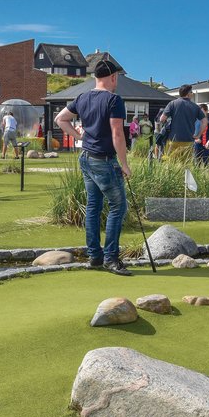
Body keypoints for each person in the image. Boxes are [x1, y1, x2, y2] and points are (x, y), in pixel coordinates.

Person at [54, 58, 132, 276]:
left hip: (86, 157)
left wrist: (79, 135)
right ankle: (111, 258)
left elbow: (60, 119)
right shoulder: (114, 100)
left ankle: (95, 256)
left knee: (93, 206)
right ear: (113, 77)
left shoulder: (83, 97)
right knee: (118, 206)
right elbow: (117, 133)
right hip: (104, 160)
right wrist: (124, 164)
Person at [159, 84, 206, 160]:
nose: (192, 93)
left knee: (170, 163)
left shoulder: (172, 103)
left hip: (173, 139)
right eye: (191, 92)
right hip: (188, 140)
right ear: (188, 93)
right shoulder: (195, 107)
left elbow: (162, 119)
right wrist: (198, 135)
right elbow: (204, 121)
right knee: (185, 166)